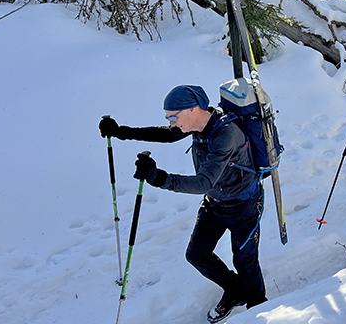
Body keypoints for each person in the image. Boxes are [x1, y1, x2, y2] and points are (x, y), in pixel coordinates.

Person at [99, 85, 266, 324]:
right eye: (168, 117)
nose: (171, 122)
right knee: (197, 254)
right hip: (216, 203)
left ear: (193, 109)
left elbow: (204, 182)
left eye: (173, 116)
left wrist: (159, 178)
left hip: (244, 204)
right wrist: (121, 132)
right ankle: (236, 290)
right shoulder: (197, 124)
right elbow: (166, 135)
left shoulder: (226, 135)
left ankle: (260, 309)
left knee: (245, 261)